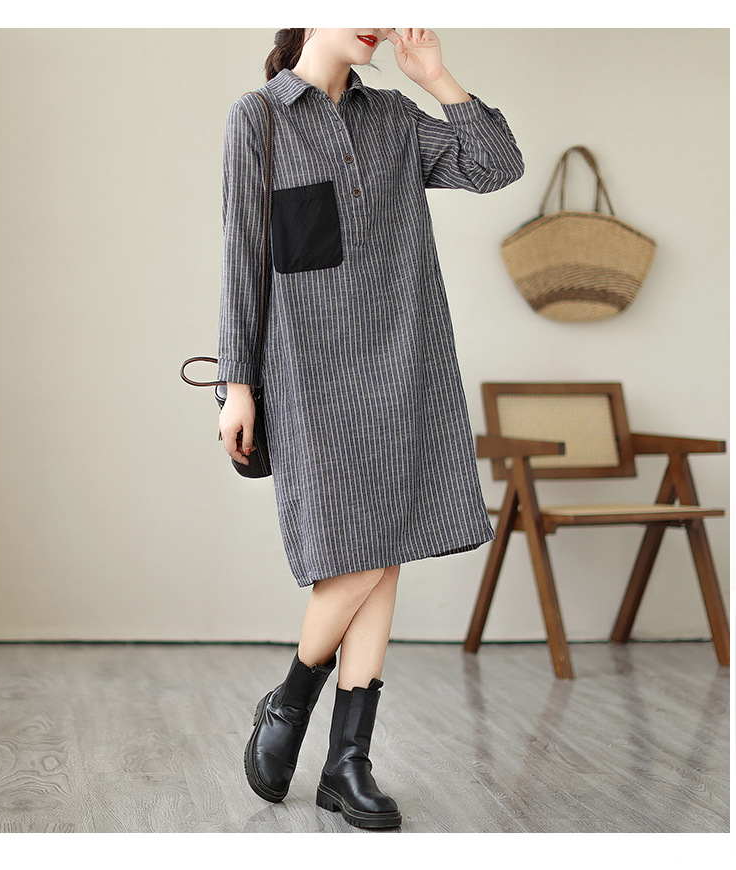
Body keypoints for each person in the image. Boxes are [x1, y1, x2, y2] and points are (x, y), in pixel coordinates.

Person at [216, 28, 524, 830]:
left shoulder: (394, 117)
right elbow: (243, 255)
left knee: (382, 553)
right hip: (308, 368)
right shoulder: (258, 117)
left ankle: (343, 760)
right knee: (356, 555)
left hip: (403, 356)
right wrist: (237, 385)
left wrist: (439, 77)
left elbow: (496, 165)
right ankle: (294, 711)